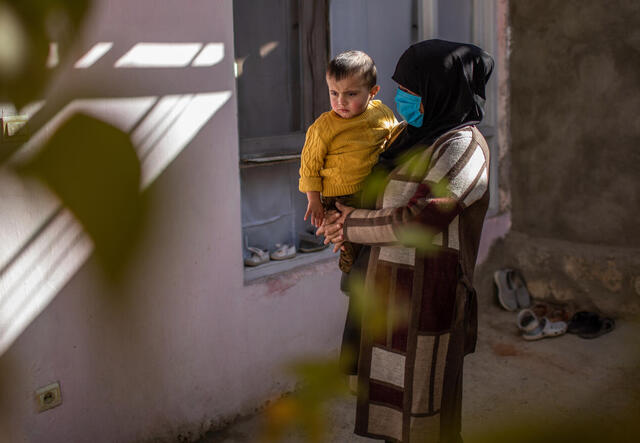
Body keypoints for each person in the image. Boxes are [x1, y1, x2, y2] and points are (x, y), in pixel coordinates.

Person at [317, 39, 494, 443]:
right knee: (391, 410)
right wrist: (335, 218)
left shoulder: (463, 146)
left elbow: (425, 215)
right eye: (402, 89)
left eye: (412, 91)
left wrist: (352, 226)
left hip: (428, 297)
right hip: (385, 291)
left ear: (441, 90)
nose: (402, 99)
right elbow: (371, 192)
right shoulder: (407, 137)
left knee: (426, 412)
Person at [299, 50, 398, 273]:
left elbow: (395, 137)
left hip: (372, 188)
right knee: (347, 242)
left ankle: (374, 274)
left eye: (351, 94)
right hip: (339, 196)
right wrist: (314, 199)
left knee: (373, 239)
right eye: (334, 93)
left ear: (372, 92)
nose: (340, 102)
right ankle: (351, 272)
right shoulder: (324, 127)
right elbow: (309, 165)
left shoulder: (381, 113)